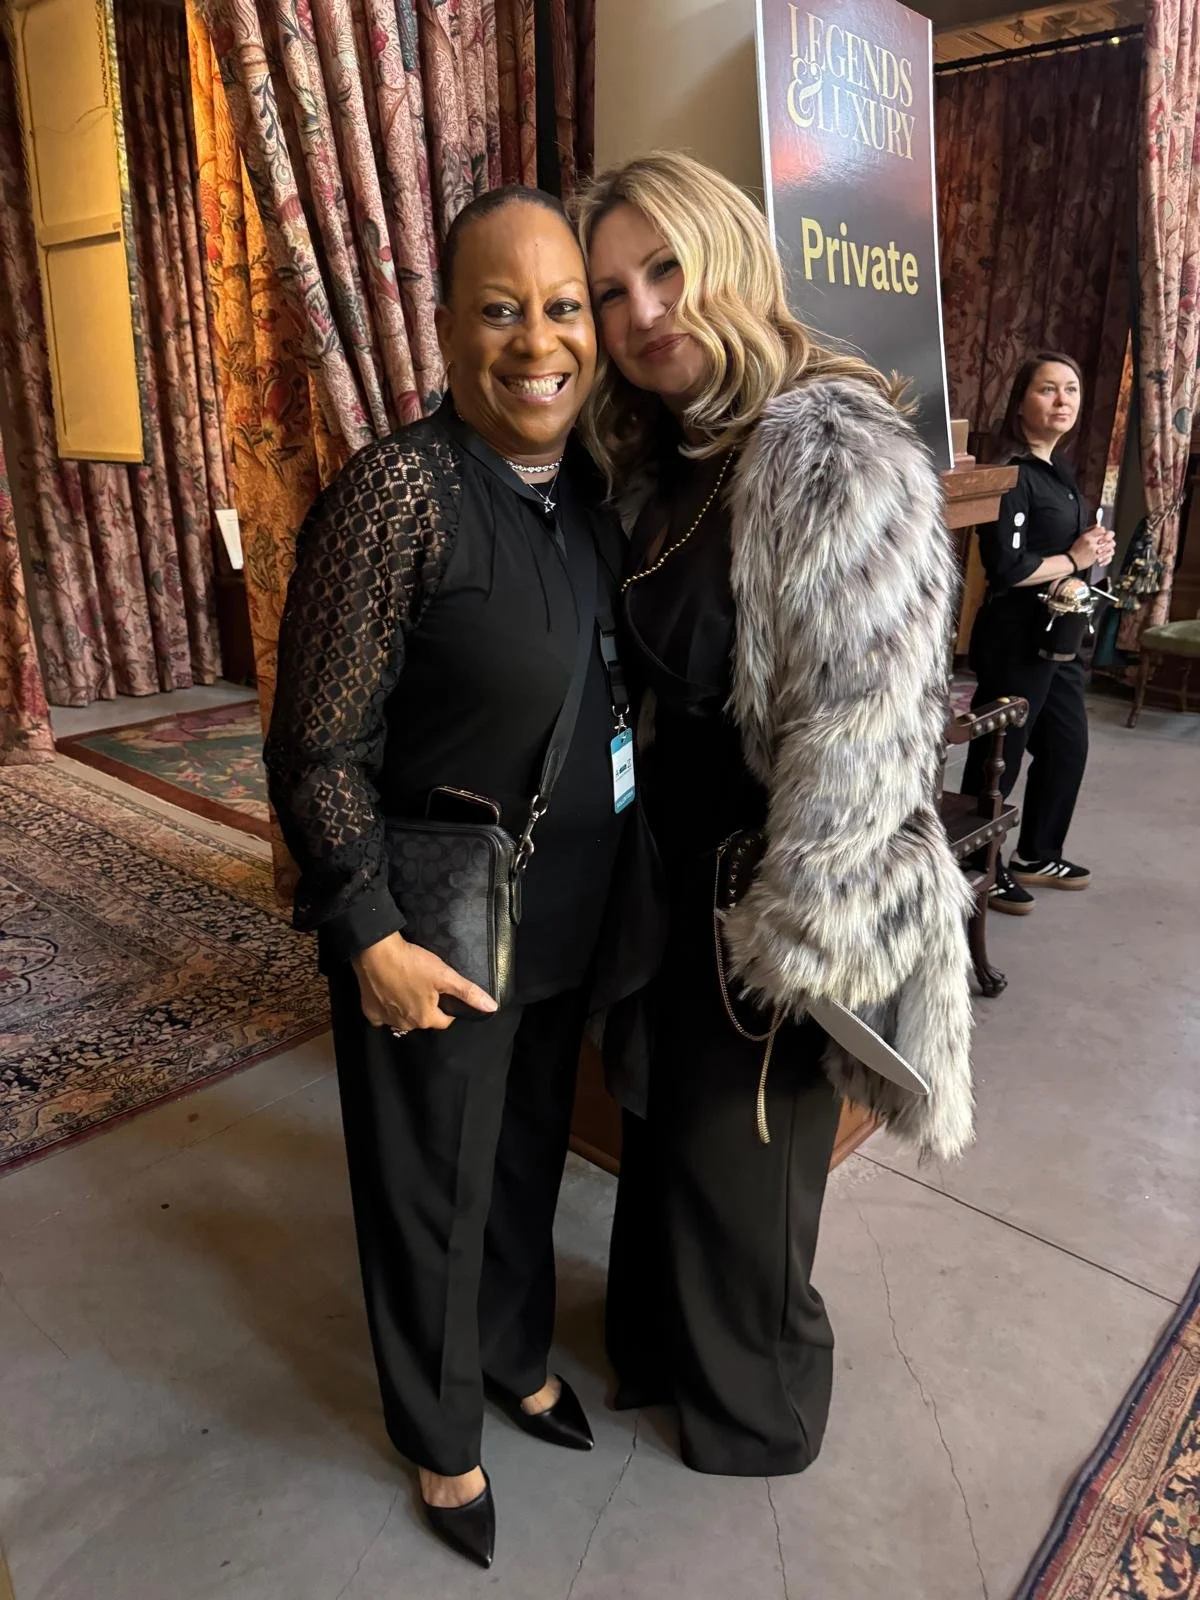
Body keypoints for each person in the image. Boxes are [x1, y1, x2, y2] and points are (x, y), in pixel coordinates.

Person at [574, 152, 975, 1477]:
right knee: (662, 1135)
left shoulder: (830, 443)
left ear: (731, 253)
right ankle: (658, 1358)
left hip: (777, 879)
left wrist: (791, 933)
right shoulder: (665, 449)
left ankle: (758, 1417)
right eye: (612, 290)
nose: (642, 312)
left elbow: (869, 722)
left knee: (740, 1163)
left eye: (666, 269)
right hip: (667, 864)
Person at [264, 187, 630, 1570]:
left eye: (559, 307)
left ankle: (513, 1349)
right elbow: (316, 743)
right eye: (498, 308)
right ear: (446, 325)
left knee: (526, 1156)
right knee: (428, 1179)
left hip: (568, 913)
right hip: (434, 924)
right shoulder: (399, 492)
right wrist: (363, 928)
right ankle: (438, 1430)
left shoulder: (590, 491)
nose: (535, 341)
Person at [962, 353, 1115, 914]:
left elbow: (1066, 558)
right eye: (1047, 389)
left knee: (1068, 746)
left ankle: (1037, 853)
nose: (1062, 400)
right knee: (1004, 749)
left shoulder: (1060, 471)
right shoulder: (1011, 473)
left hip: (1063, 633)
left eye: (1071, 390)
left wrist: (1090, 553)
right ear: (1020, 399)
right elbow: (1007, 567)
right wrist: (1074, 557)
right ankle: (979, 863)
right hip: (1018, 635)